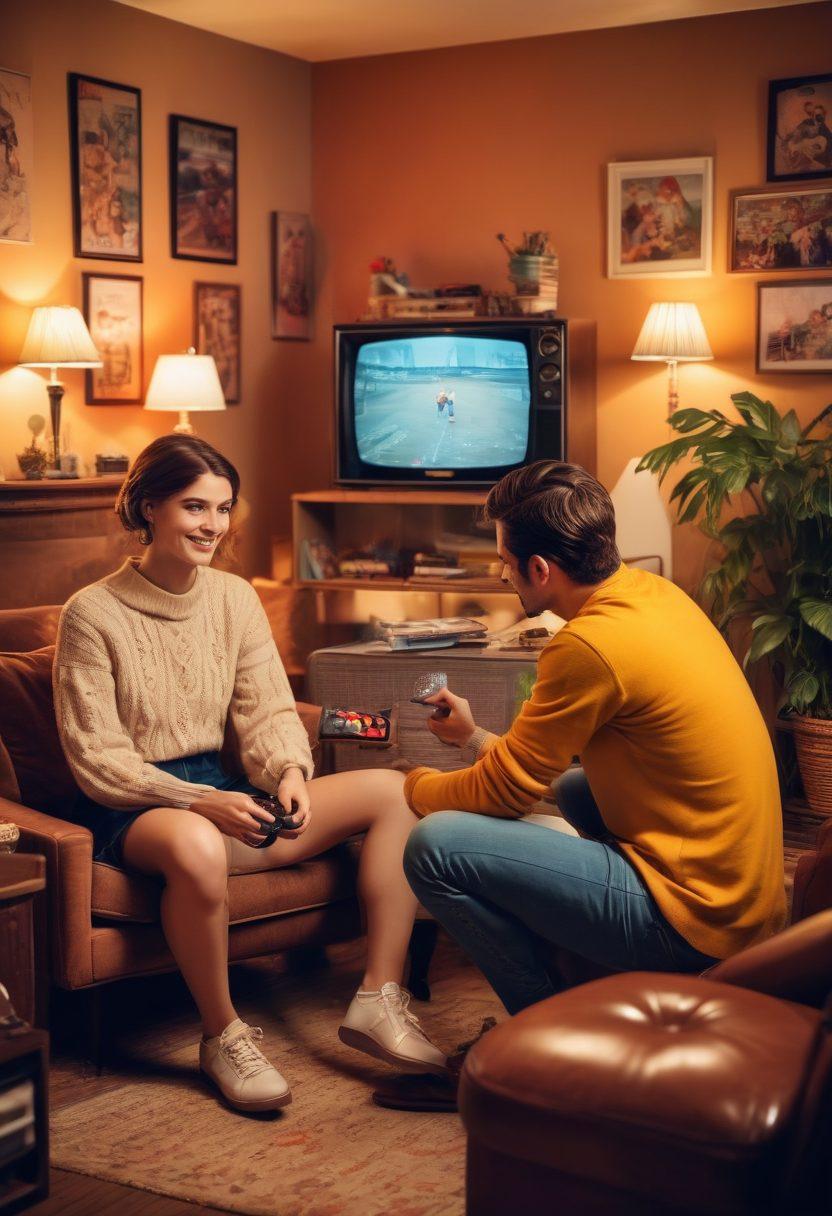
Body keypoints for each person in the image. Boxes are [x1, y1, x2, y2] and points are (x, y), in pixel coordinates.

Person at [53, 434, 445, 1114]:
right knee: (199, 843)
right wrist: (201, 802)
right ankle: (222, 1034)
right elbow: (98, 759)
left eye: (223, 508)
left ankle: (379, 998)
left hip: (225, 796)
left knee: (395, 793)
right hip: (136, 808)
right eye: (194, 507)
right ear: (148, 508)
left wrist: (291, 771)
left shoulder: (233, 599)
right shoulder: (91, 613)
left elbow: (266, 709)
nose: (212, 525)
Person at [401, 459, 786, 1029]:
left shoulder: (587, 646)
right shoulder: (652, 593)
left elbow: (505, 794)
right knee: (582, 788)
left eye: (505, 563)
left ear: (539, 568)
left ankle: (540, 1032)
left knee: (433, 846)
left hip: (695, 919)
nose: (502, 574)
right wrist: (476, 739)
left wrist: (413, 785)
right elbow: (526, 770)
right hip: (744, 898)